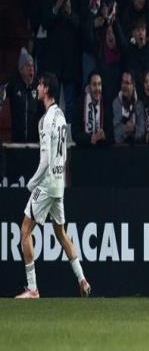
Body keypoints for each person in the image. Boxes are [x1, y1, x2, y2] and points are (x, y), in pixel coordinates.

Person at [15, 72, 91, 298]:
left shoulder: (47, 119)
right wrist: (60, 179)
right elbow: (64, 153)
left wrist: (32, 183)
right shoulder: (61, 115)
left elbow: (46, 160)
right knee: (61, 233)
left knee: (24, 231)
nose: (37, 88)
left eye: (40, 85)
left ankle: (32, 289)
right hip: (59, 184)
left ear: (46, 88)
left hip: (47, 183)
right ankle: (83, 280)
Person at [0, 48, 40, 143]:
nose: (31, 69)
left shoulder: (38, 85)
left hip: (34, 142)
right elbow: (2, 92)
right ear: (21, 69)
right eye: (28, 66)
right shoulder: (13, 84)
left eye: (32, 66)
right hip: (17, 140)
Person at [73, 71, 113, 147]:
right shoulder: (80, 103)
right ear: (89, 87)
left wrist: (104, 135)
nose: (97, 88)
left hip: (102, 149)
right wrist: (90, 138)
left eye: (99, 84)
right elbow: (75, 134)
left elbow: (112, 135)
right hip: (85, 150)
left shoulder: (106, 103)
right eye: (94, 84)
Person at [112, 71, 145, 144]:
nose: (124, 86)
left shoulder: (139, 104)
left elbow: (142, 132)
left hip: (137, 147)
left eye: (127, 83)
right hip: (119, 148)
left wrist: (134, 129)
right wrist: (126, 129)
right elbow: (116, 135)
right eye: (123, 82)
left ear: (133, 85)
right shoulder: (116, 103)